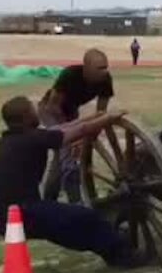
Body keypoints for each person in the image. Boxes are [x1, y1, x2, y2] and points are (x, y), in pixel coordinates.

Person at [0, 97, 142, 267]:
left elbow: (60, 129)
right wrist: (109, 118)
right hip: (20, 212)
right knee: (85, 217)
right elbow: (76, 132)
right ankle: (122, 256)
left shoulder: (12, 138)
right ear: (25, 117)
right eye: (32, 110)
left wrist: (93, 117)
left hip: (1, 213)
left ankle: (113, 247)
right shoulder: (31, 138)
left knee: (70, 224)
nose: (36, 112)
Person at [39, 49, 114, 202]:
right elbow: (53, 106)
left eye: (106, 67)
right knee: (66, 154)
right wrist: (70, 133)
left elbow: (101, 112)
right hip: (50, 111)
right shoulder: (70, 75)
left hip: (71, 110)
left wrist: (91, 135)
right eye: (100, 68)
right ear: (86, 68)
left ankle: (49, 199)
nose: (104, 71)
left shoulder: (106, 79)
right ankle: (75, 200)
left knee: (60, 158)